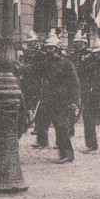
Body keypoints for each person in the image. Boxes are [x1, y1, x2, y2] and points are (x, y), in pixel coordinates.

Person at [32, 30, 81, 163]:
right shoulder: (47, 63)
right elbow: (34, 70)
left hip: (62, 100)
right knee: (44, 121)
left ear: (57, 48)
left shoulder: (66, 64)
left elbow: (74, 83)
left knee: (61, 126)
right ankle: (57, 149)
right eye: (48, 48)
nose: (50, 51)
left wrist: (74, 101)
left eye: (52, 48)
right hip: (49, 99)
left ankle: (68, 154)